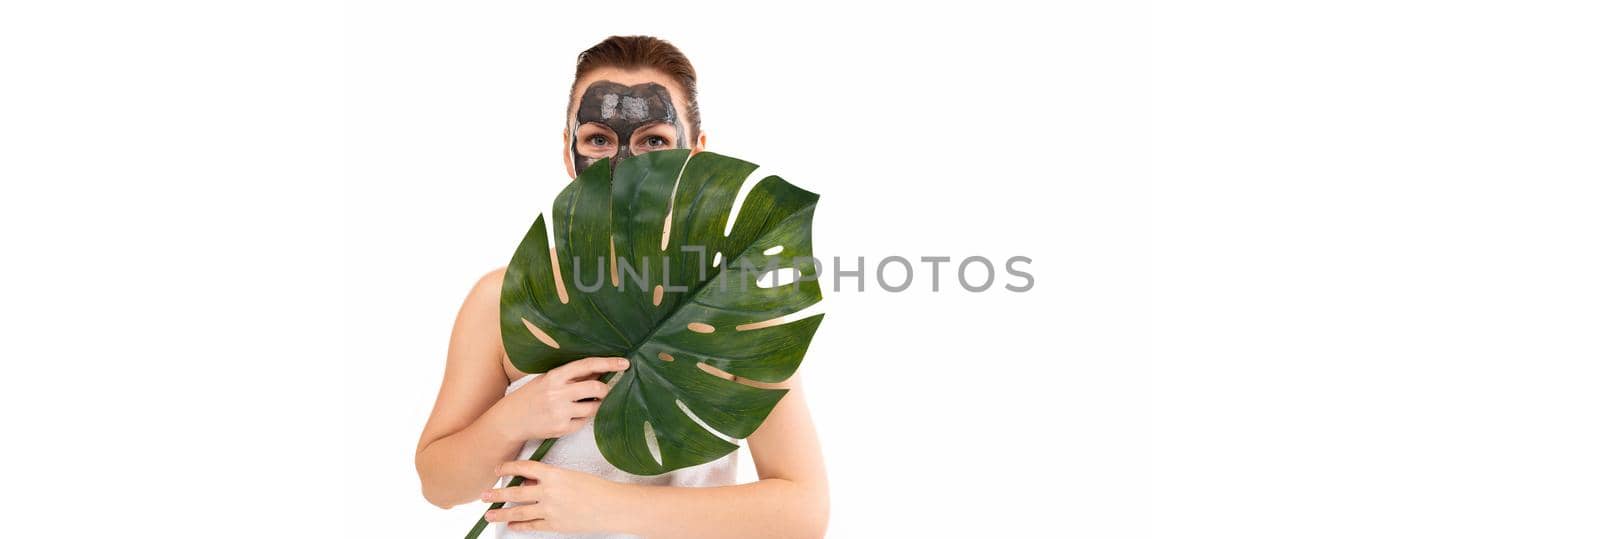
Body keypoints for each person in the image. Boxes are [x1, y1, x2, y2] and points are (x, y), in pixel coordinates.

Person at [414, 35, 829, 539]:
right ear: (569, 153)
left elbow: (803, 511)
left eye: (654, 141)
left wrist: (604, 506)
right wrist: (514, 418)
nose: (626, 166)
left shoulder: (733, 301)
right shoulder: (505, 299)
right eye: (598, 140)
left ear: (696, 154)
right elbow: (439, 485)